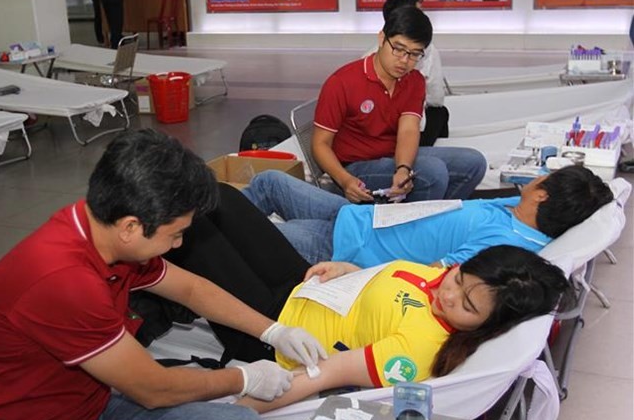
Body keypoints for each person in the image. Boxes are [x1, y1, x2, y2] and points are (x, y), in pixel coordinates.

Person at [0, 129, 328, 420]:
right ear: (131, 226)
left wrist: (273, 331)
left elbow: (192, 288)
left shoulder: (104, 235)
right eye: (175, 234)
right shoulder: (65, 280)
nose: (179, 244)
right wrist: (246, 378)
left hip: (88, 410)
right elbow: (154, 389)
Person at [161, 197, 571, 413]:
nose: (448, 294)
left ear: (487, 326)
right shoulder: (445, 283)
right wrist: (349, 268)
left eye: (465, 304)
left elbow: (323, 375)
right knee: (219, 199)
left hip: (276, 330)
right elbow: (394, 280)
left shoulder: (416, 352)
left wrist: (234, 410)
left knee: (195, 233)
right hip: (308, 285)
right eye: (458, 278)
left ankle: (134, 279)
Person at [242, 164, 614, 266]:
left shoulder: (506, 245)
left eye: (543, 177)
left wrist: (353, 275)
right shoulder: (515, 213)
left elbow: (433, 276)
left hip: (346, 251)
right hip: (360, 218)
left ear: (543, 194)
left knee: (253, 231)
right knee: (271, 181)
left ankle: (196, 254)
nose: (536, 176)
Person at [312, 4, 487, 204]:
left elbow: (408, 130)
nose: (404, 61)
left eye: (414, 54)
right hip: (355, 168)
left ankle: (432, 219)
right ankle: (414, 230)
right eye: (398, 49)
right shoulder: (342, 82)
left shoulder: (414, 81)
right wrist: (345, 181)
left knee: (473, 162)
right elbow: (320, 144)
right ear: (381, 38)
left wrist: (403, 168)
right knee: (434, 173)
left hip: (393, 156)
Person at [380, 0, 448, 146]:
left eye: (414, 54)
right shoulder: (428, 53)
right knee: (439, 113)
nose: (404, 60)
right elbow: (436, 99)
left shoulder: (368, 56)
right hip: (397, 135)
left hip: (401, 131)